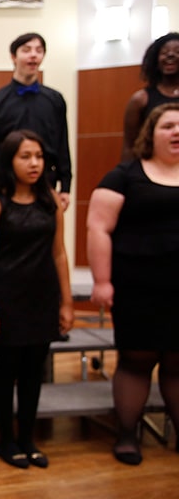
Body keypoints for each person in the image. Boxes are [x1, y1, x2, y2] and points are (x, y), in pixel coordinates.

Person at [88, 102, 179, 465]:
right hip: (138, 285)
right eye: (168, 126)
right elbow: (98, 228)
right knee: (136, 359)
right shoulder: (124, 175)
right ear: (150, 134)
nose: (176, 132)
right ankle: (127, 435)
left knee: (177, 361)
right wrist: (102, 281)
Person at [0, 130, 73, 470]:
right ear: (9, 161)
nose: (34, 164)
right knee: (7, 370)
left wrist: (66, 303)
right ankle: (6, 439)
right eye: (25, 157)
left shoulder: (50, 200)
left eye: (39, 157)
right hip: (8, 299)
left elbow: (59, 254)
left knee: (34, 371)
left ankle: (28, 438)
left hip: (42, 297)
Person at [0, 33, 71, 211]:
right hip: (6, 187)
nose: (33, 55)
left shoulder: (55, 100)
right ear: (14, 57)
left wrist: (65, 187)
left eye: (39, 50)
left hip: (45, 184)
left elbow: (62, 144)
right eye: (26, 50)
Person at [121, 32, 179, 163]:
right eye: (164, 52)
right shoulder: (140, 100)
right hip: (154, 168)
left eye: (177, 51)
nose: (170, 55)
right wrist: (127, 174)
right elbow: (129, 147)